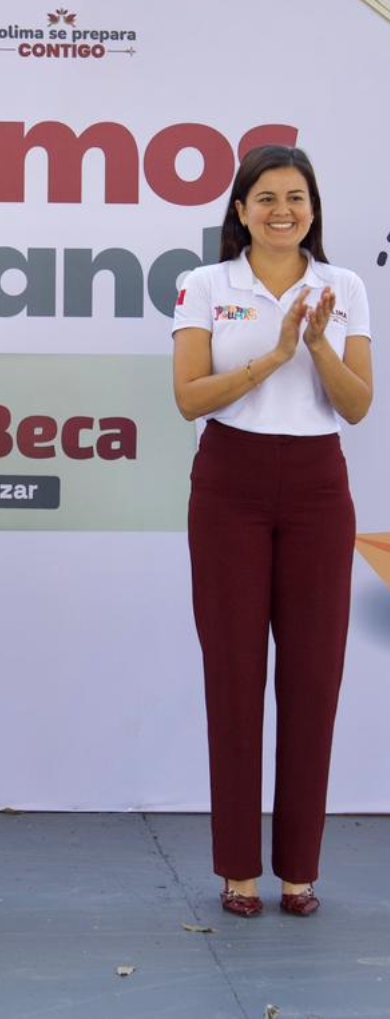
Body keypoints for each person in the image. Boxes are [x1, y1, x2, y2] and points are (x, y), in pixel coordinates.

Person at [172, 145, 373, 918]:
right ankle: (237, 871)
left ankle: (299, 872)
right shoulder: (205, 285)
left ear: (313, 209)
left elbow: (356, 406)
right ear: (241, 210)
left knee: (314, 680)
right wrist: (275, 354)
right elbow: (190, 397)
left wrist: (317, 344)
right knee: (233, 677)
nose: (281, 210)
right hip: (230, 482)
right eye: (265, 197)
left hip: (319, 487)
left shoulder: (344, 286)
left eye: (296, 197)